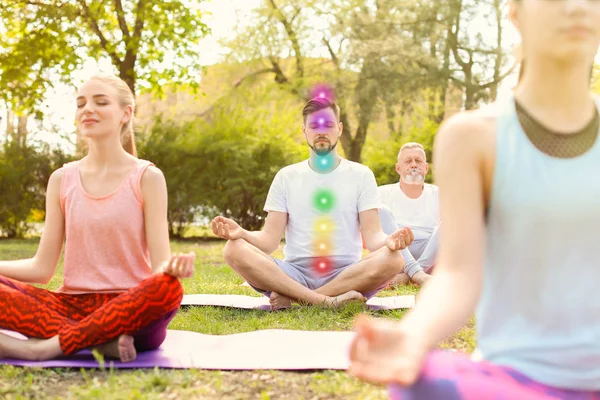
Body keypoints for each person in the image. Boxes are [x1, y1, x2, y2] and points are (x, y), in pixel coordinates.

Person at [349, 0, 600, 398]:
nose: (576, 7)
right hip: (521, 381)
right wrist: (411, 337)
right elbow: (458, 274)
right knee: (421, 385)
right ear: (516, 13)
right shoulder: (472, 136)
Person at [0, 74, 195, 362]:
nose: (87, 109)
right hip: (68, 307)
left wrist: (173, 269)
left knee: (167, 288)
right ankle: (97, 342)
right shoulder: (61, 179)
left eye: (100, 102)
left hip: (131, 308)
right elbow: (42, 269)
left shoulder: (147, 177)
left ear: (125, 114)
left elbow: (159, 268)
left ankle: (45, 347)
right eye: (81, 104)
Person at [211, 97, 414, 310]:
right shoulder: (286, 176)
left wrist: (390, 241)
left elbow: (373, 238)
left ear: (339, 128)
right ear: (304, 130)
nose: (321, 131)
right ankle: (323, 301)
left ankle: (300, 300)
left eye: (328, 125)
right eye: (314, 126)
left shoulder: (361, 175)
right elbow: (269, 241)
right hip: (293, 274)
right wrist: (242, 233)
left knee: (393, 259)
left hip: (347, 275)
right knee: (233, 249)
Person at [378, 142, 439, 287]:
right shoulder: (381, 193)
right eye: (408, 161)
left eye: (418, 161)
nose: (413, 165)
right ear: (398, 168)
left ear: (426, 167)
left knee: (452, 217)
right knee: (381, 210)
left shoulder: (440, 194)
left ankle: (414, 273)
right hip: (395, 253)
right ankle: (417, 274)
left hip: (431, 254)